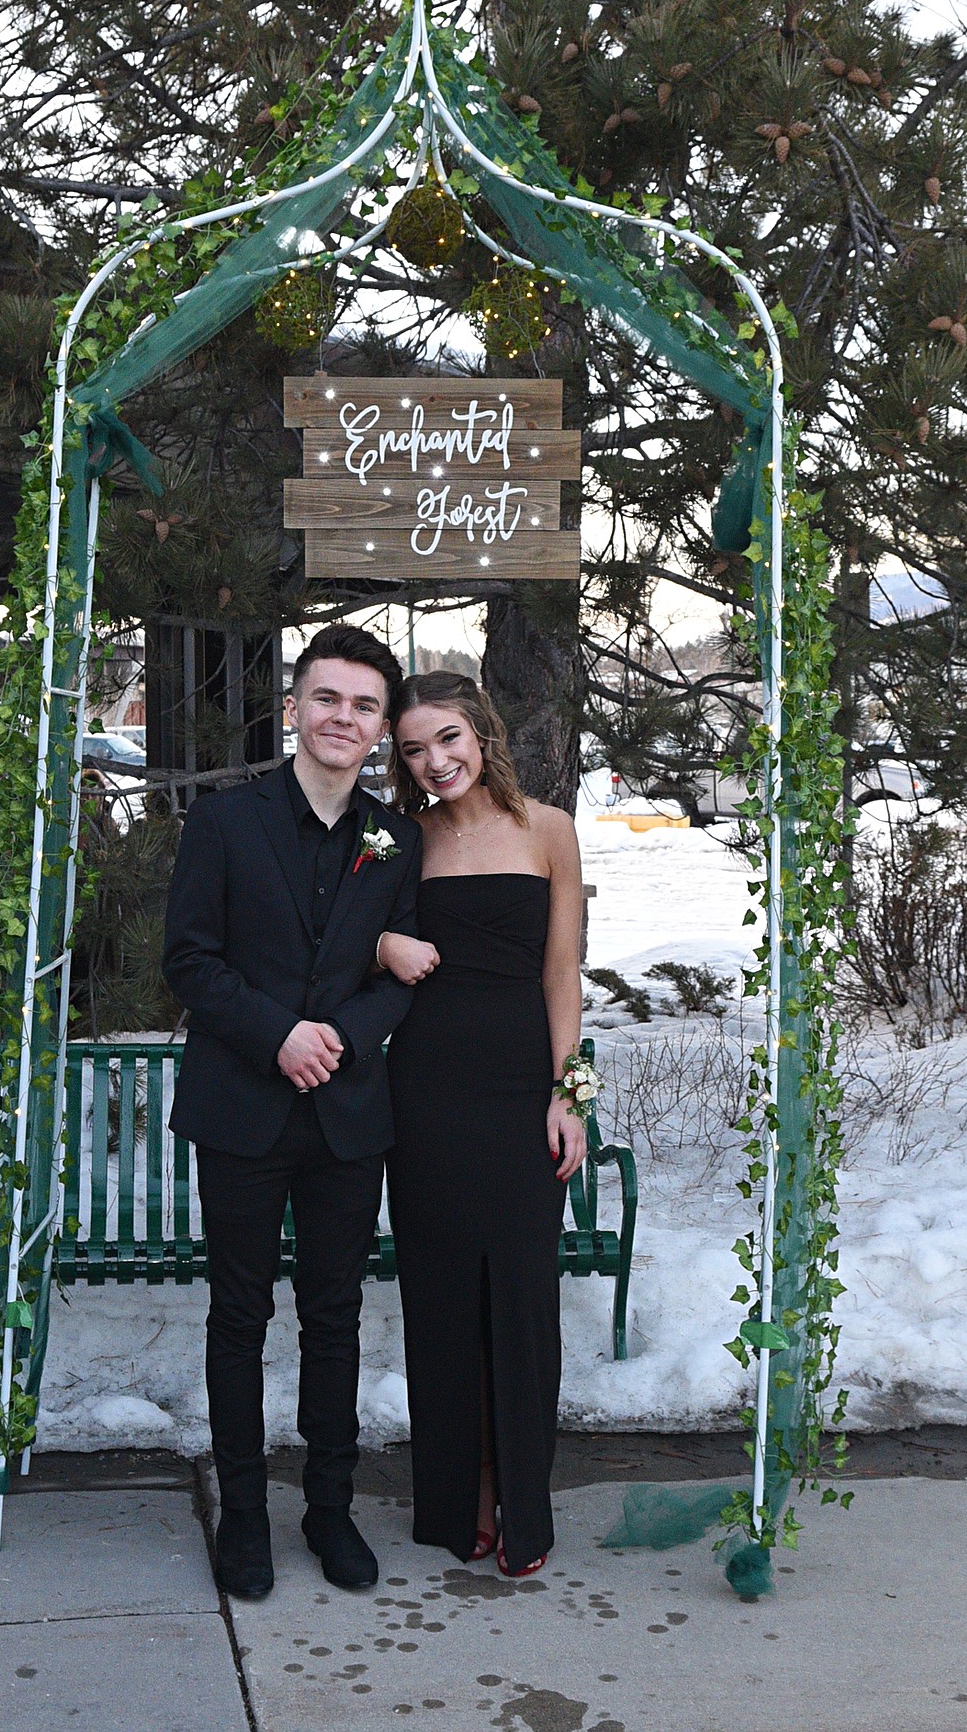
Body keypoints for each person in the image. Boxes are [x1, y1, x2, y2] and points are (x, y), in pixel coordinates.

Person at [162, 624, 422, 1601]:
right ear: (295, 705)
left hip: (348, 1116)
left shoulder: (397, 841)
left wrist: (344, 1035)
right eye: (327, 698)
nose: (342, 718)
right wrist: (278, 1033)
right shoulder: (225, 823)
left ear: (381, 726)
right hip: (241, 1108)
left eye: (363, 706)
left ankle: (330, 1508)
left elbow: (407, 970)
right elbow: (188, 960)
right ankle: (243, 1519)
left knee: (335, 1317)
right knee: (238, 1318)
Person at [378, 671, 587, 1578]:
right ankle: (458, 1497)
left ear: (482, 733)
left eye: (448, 739)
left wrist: (568, 1091)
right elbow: (336, 938)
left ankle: (520, 1506)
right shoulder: (398, 841)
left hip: (518, 1091)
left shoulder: (549, 830)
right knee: (440, 1297)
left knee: (522, 1303)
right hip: (423, 1089)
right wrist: (382, 943)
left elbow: (564, 974)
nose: (435, 763)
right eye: (416, 749)